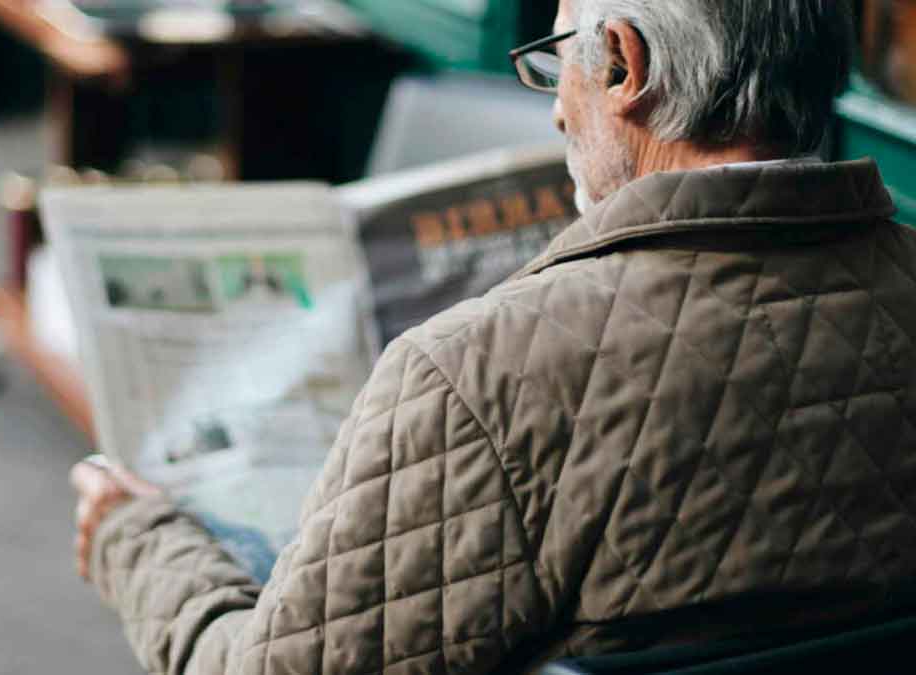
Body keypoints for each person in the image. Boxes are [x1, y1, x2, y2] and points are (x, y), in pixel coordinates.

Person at [71, 1, 916, 672]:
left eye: (557, 60)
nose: (555, 111)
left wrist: (136, 539)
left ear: (624, 64)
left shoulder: (476, 376)